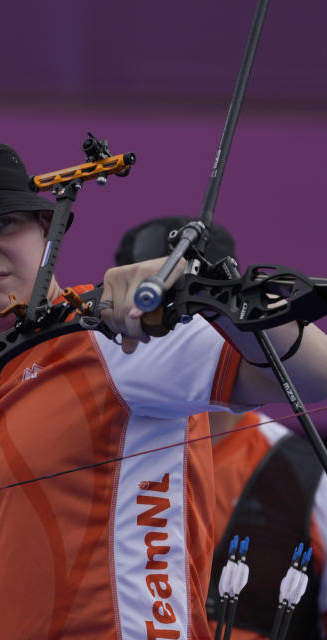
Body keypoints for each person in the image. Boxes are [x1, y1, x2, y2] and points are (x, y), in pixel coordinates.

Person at [0, 141, 327, 639]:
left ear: (47, 227)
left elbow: (315, 374)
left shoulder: (117, 335)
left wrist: (205, 289)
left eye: (3, 223)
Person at [117, 216, 327, 640]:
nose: (174, 329)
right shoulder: (85, 450)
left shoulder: (306, 474)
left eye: (193, 302)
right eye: (154, 310)